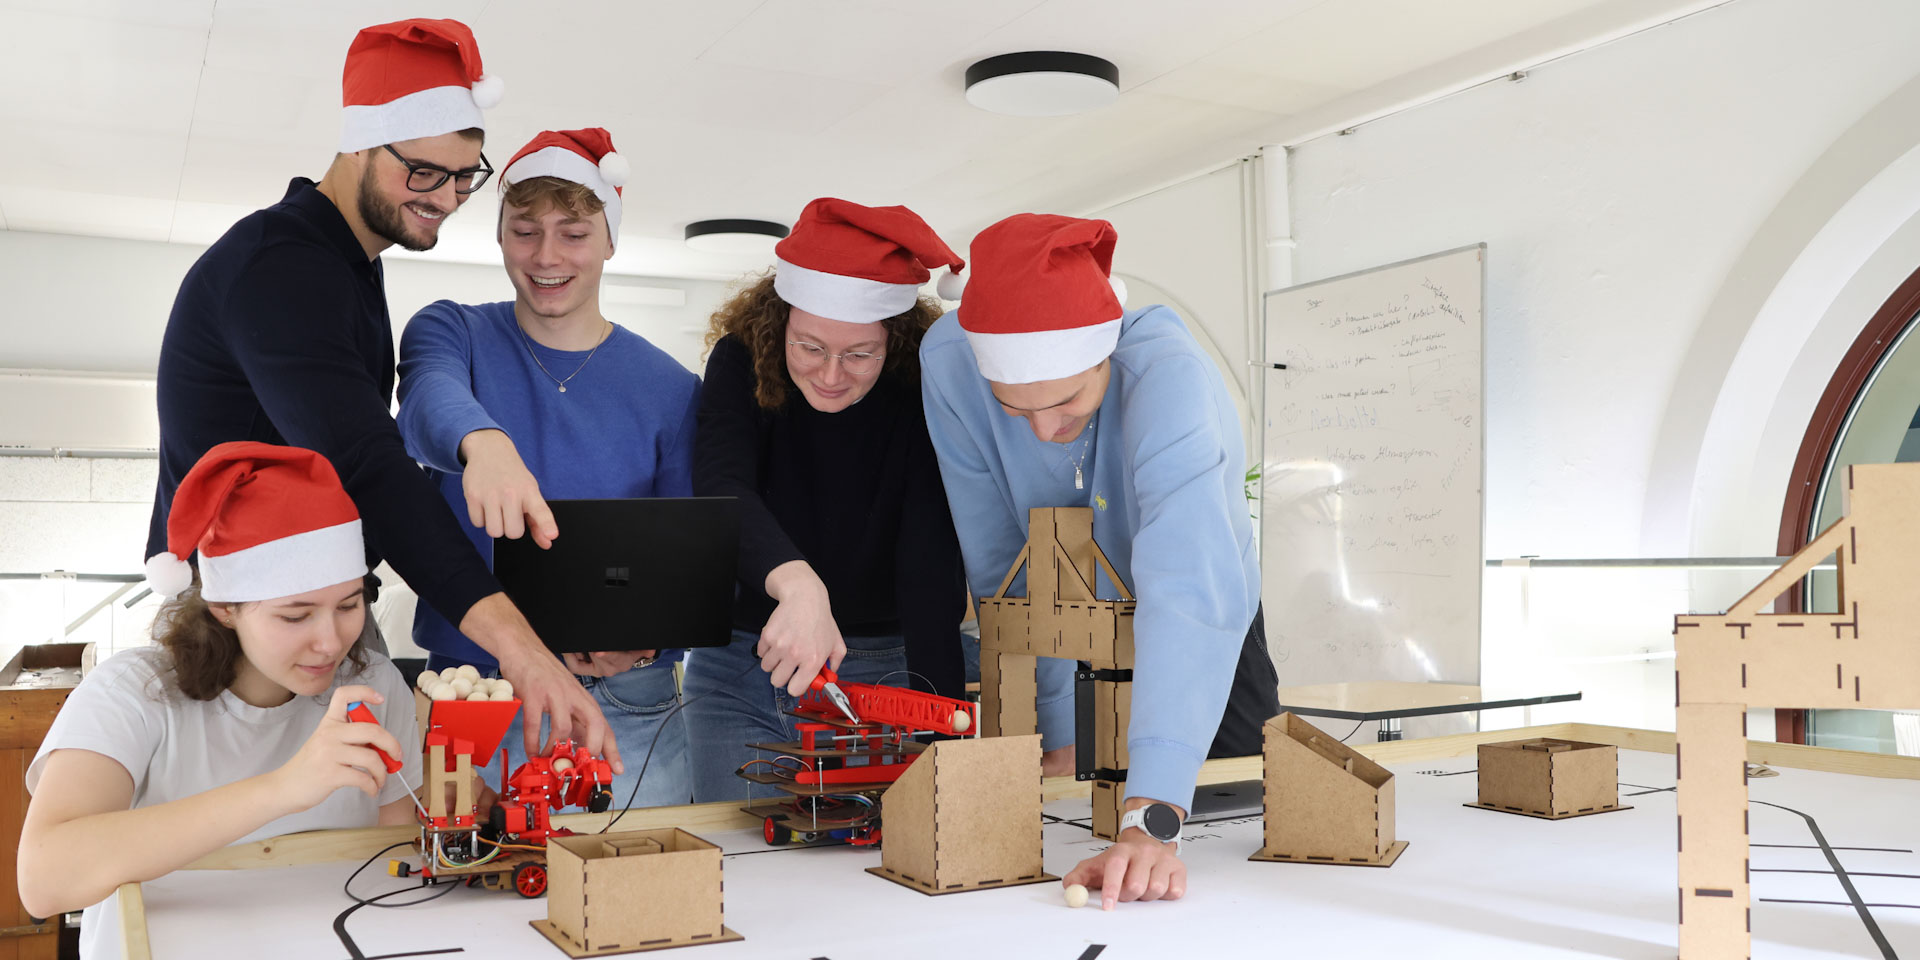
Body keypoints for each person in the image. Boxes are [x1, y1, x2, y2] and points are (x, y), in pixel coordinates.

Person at [144, 19, 621, 773]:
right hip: (245, 624)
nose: (447, 197)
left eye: (465, 176)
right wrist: (521, 650)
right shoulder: (282, 269)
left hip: (315, 606)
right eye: (425, 172)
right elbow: (368, 462)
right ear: (361, 143)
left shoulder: (348, 263)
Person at [921, 213, 1281, 908]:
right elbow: (1002, 555)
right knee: (1068, 811)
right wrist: (1054, 725)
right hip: (1072, 599)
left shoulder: (1168, 376)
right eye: (1014, 412)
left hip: (1201, 607)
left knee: (1236, 821)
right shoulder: (947, 362)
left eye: (1067, 404)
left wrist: (1152, 821)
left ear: (1104, 354)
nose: (1045, 433)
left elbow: (1188, 590)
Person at [20, 443, 420, 959]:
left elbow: (393, 860)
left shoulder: (375, 683)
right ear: (225, 608)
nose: (331, 641)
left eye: (349, 605)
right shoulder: (133, 693)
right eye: (295, 616)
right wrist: (285, 787)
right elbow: (44, 878)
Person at [397, 128, 698, 806]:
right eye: (524, 231)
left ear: (611, 240)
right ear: (499, 236)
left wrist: (646, 644)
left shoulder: (673, 390)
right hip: (477, 694)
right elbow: (425, 399)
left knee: (643, 892)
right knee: (469, 897)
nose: (546, 256)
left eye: (573, 233)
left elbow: (687, 559)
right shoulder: (454, 334)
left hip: (623, 704)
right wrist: (486, 442)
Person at [685, 198, 968, 802]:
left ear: (892, 341)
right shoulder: (740, 357)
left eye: (859, 354)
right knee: (745, 865)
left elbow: (928, 555)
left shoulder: (922, 380)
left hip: (883, 667)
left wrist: (942, 724)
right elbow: (720, 485)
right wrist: (799, 585)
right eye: (810, 348)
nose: (832, 374)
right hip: (739, 665)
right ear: (779, 324)